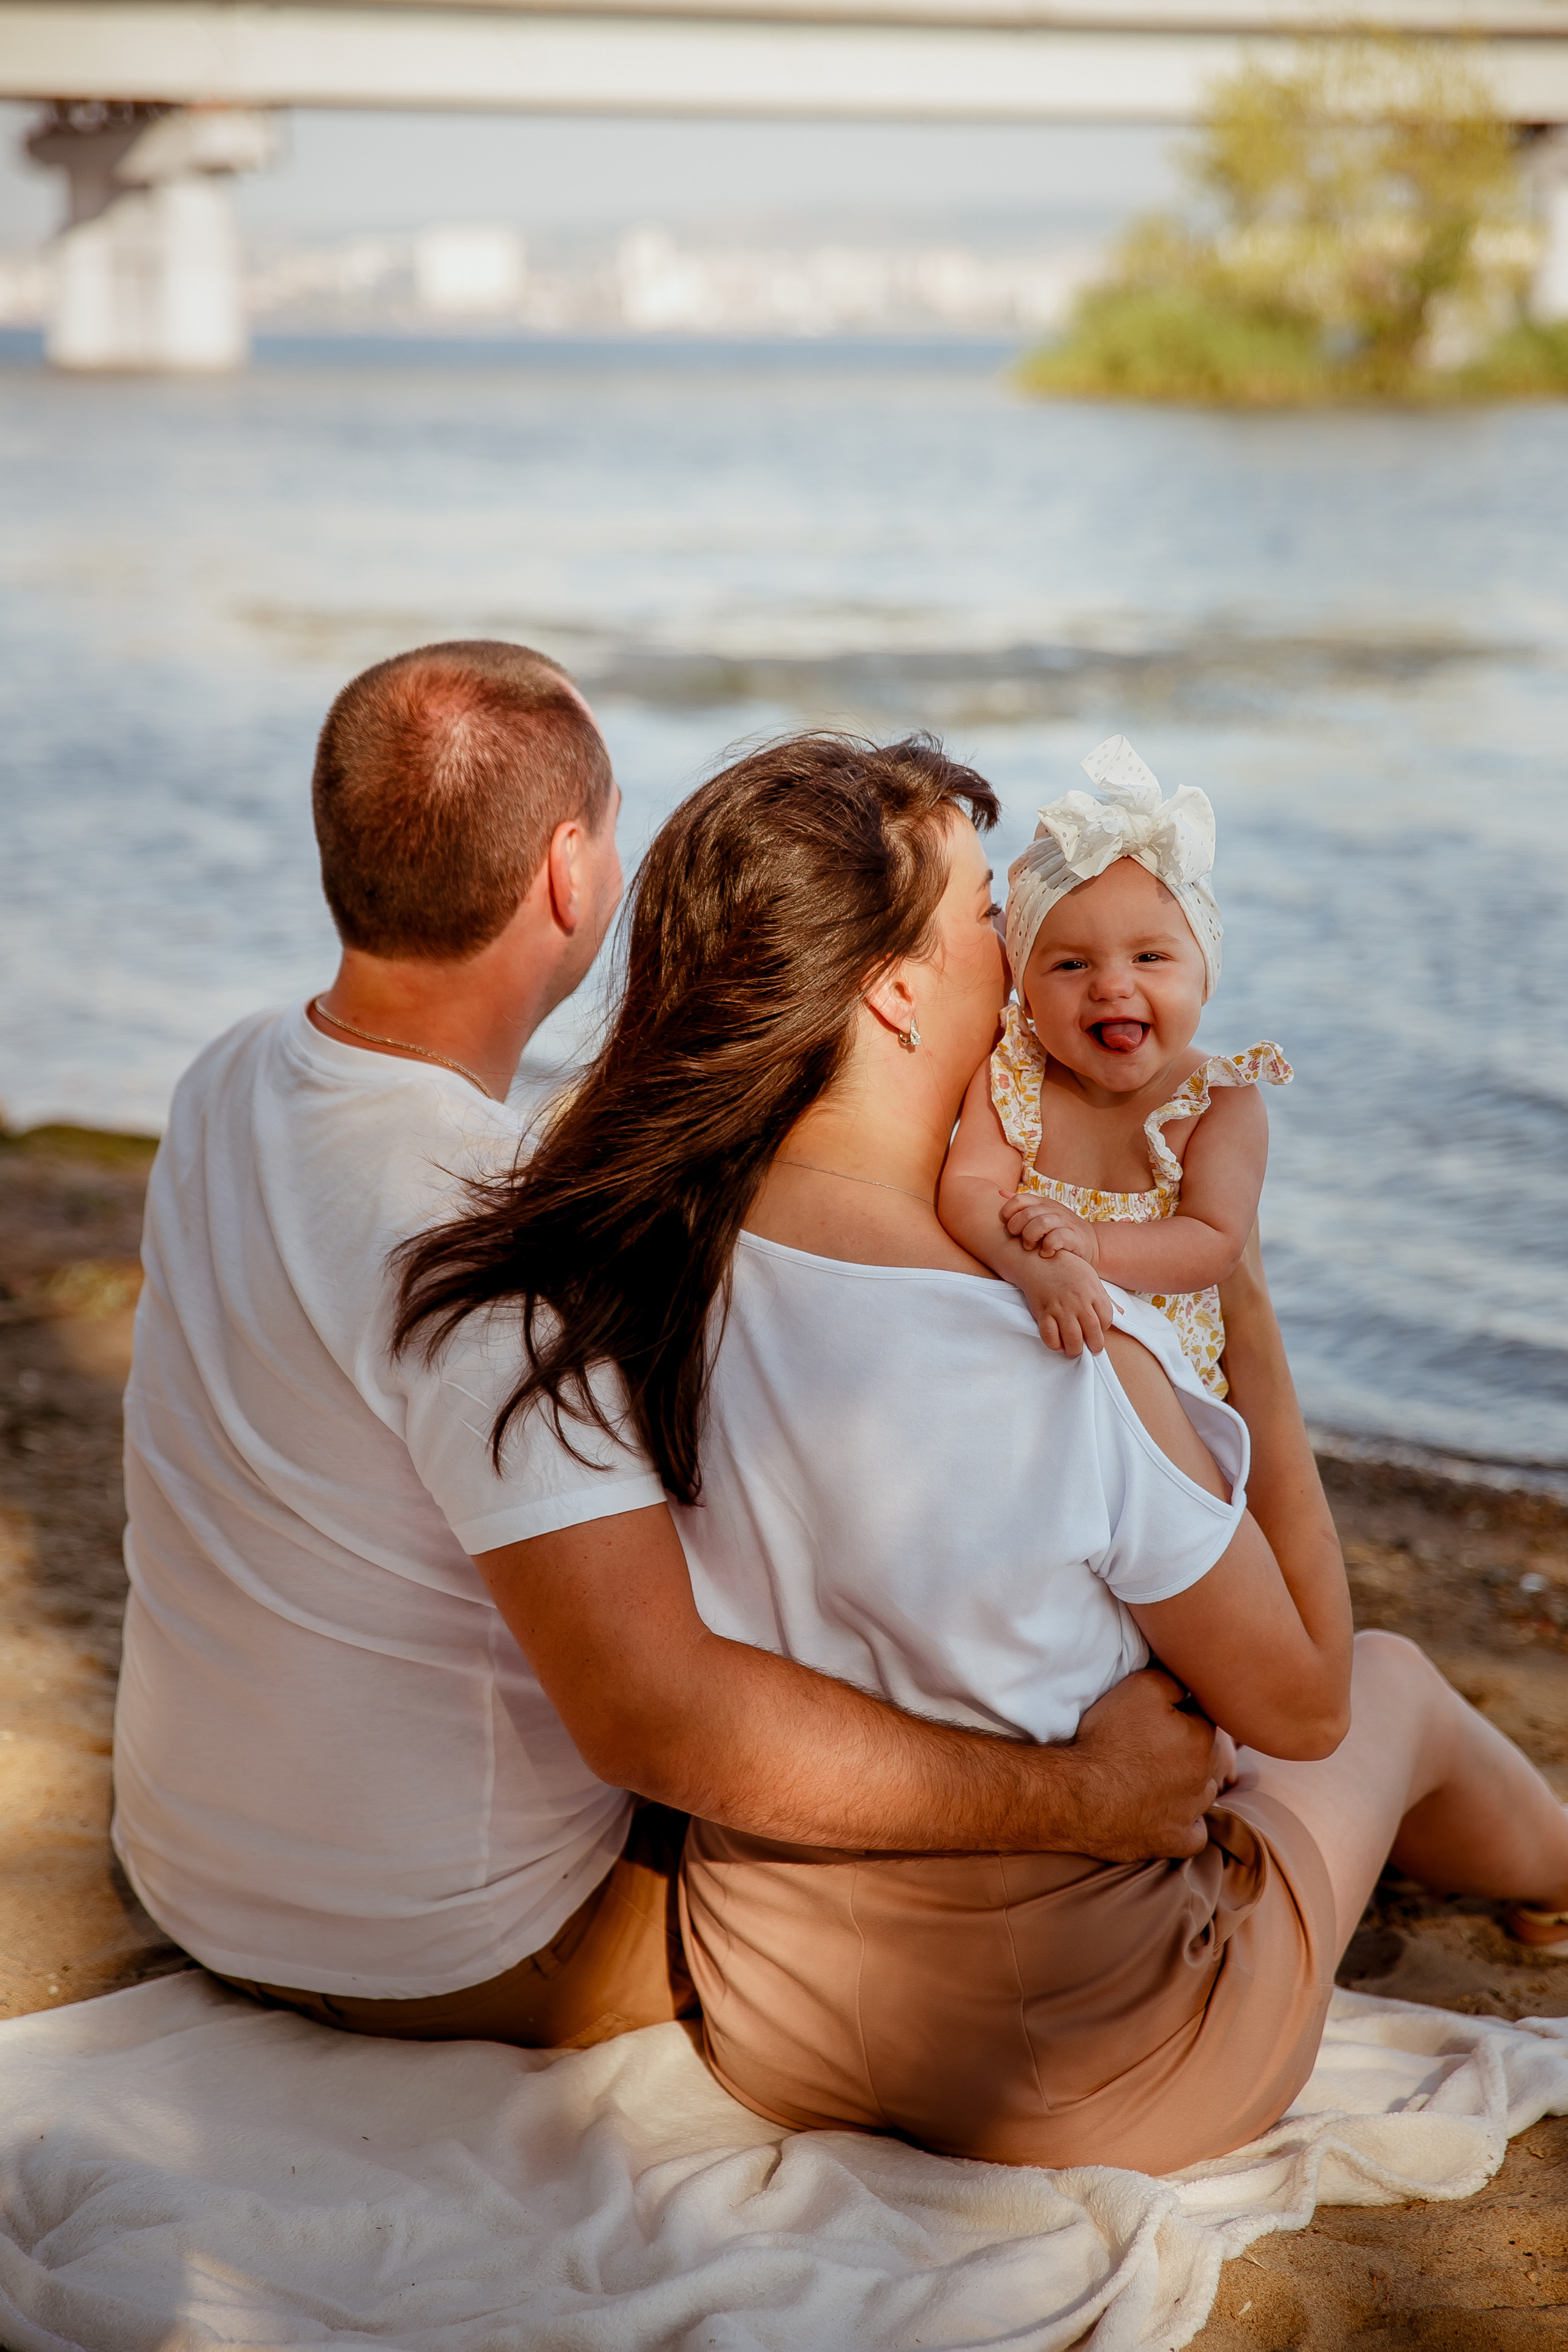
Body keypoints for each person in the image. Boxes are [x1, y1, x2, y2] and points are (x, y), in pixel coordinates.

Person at [396, 728, 1568, 2166]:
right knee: (1383, 1684)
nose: (1019, 955)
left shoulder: (630, 1258)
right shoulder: (1061, 1363)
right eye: (982, 920)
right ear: (892, 994)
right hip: (1086, 2068)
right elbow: (1300, 1705)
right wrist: (1238, 1302)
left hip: (770, 2012)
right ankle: (1555, 1869)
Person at [113, 649, 1232, 2055]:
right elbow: (657, 1720)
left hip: (192, 1868)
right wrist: (1086, 1795)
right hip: (457, 1945)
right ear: (571, 876)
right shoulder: (497, 1243)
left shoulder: (226, 1076)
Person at [941, 732, 1289, 1390]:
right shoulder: (1017, 1076)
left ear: (1204, 973)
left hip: (1172, 1399)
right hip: (1029, 1372)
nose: (1111, 986)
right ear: (1024, 987)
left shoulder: (1218, 1101)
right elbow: (966, 1193)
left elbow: (1213, 1241)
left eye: (1149, 958)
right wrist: (1040, 1266)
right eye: (1071, 964)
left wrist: (1091, 1247)